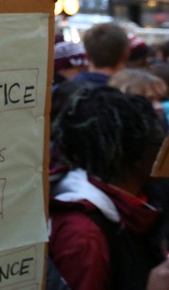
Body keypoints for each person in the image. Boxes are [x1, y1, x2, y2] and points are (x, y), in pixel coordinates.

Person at [49, 86, 166, 290]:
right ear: (133, 154)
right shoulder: (83, 235)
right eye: (158, 142)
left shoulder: (143, 198)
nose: (164, 149)